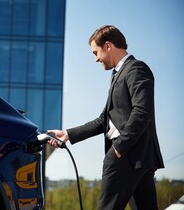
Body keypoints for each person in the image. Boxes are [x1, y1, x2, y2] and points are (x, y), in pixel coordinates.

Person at [47, 25, 164, 209]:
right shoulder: (118, 74)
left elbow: (142, 111)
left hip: (126, 154)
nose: (95, 59)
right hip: (137, 157)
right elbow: (104, 120)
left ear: (108, 46)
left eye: (96, 52)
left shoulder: (136, 69)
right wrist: (68, 134)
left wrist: (119, 147)